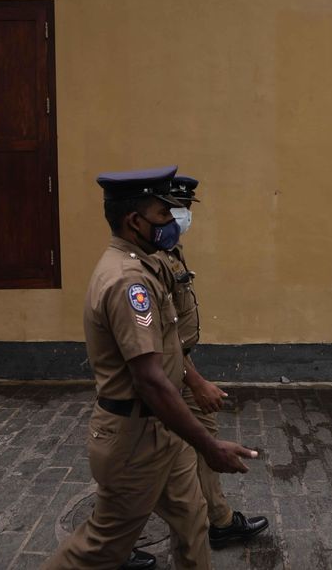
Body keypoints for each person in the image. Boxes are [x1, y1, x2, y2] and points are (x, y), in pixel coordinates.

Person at [43, 166, 258, 570]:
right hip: (135, 438)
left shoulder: (145, 264)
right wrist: (209, 447)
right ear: (134, 221)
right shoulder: (128, 280)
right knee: (100, 547)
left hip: (161, 428)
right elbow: (150, 381)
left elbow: (169, 347)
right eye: (162, 214)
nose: (171, 222)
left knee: (192, 517)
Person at [157, 176, 270, 548]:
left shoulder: (172, 249)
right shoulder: (153, 261)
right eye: (175, 208)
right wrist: (195, 381)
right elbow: (161, 339)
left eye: (187, 208)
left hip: (180, 366)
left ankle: (219, 521)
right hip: (165, 372)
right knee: (148, 458)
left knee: (201, 434)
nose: (183, 216)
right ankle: (113, 539)